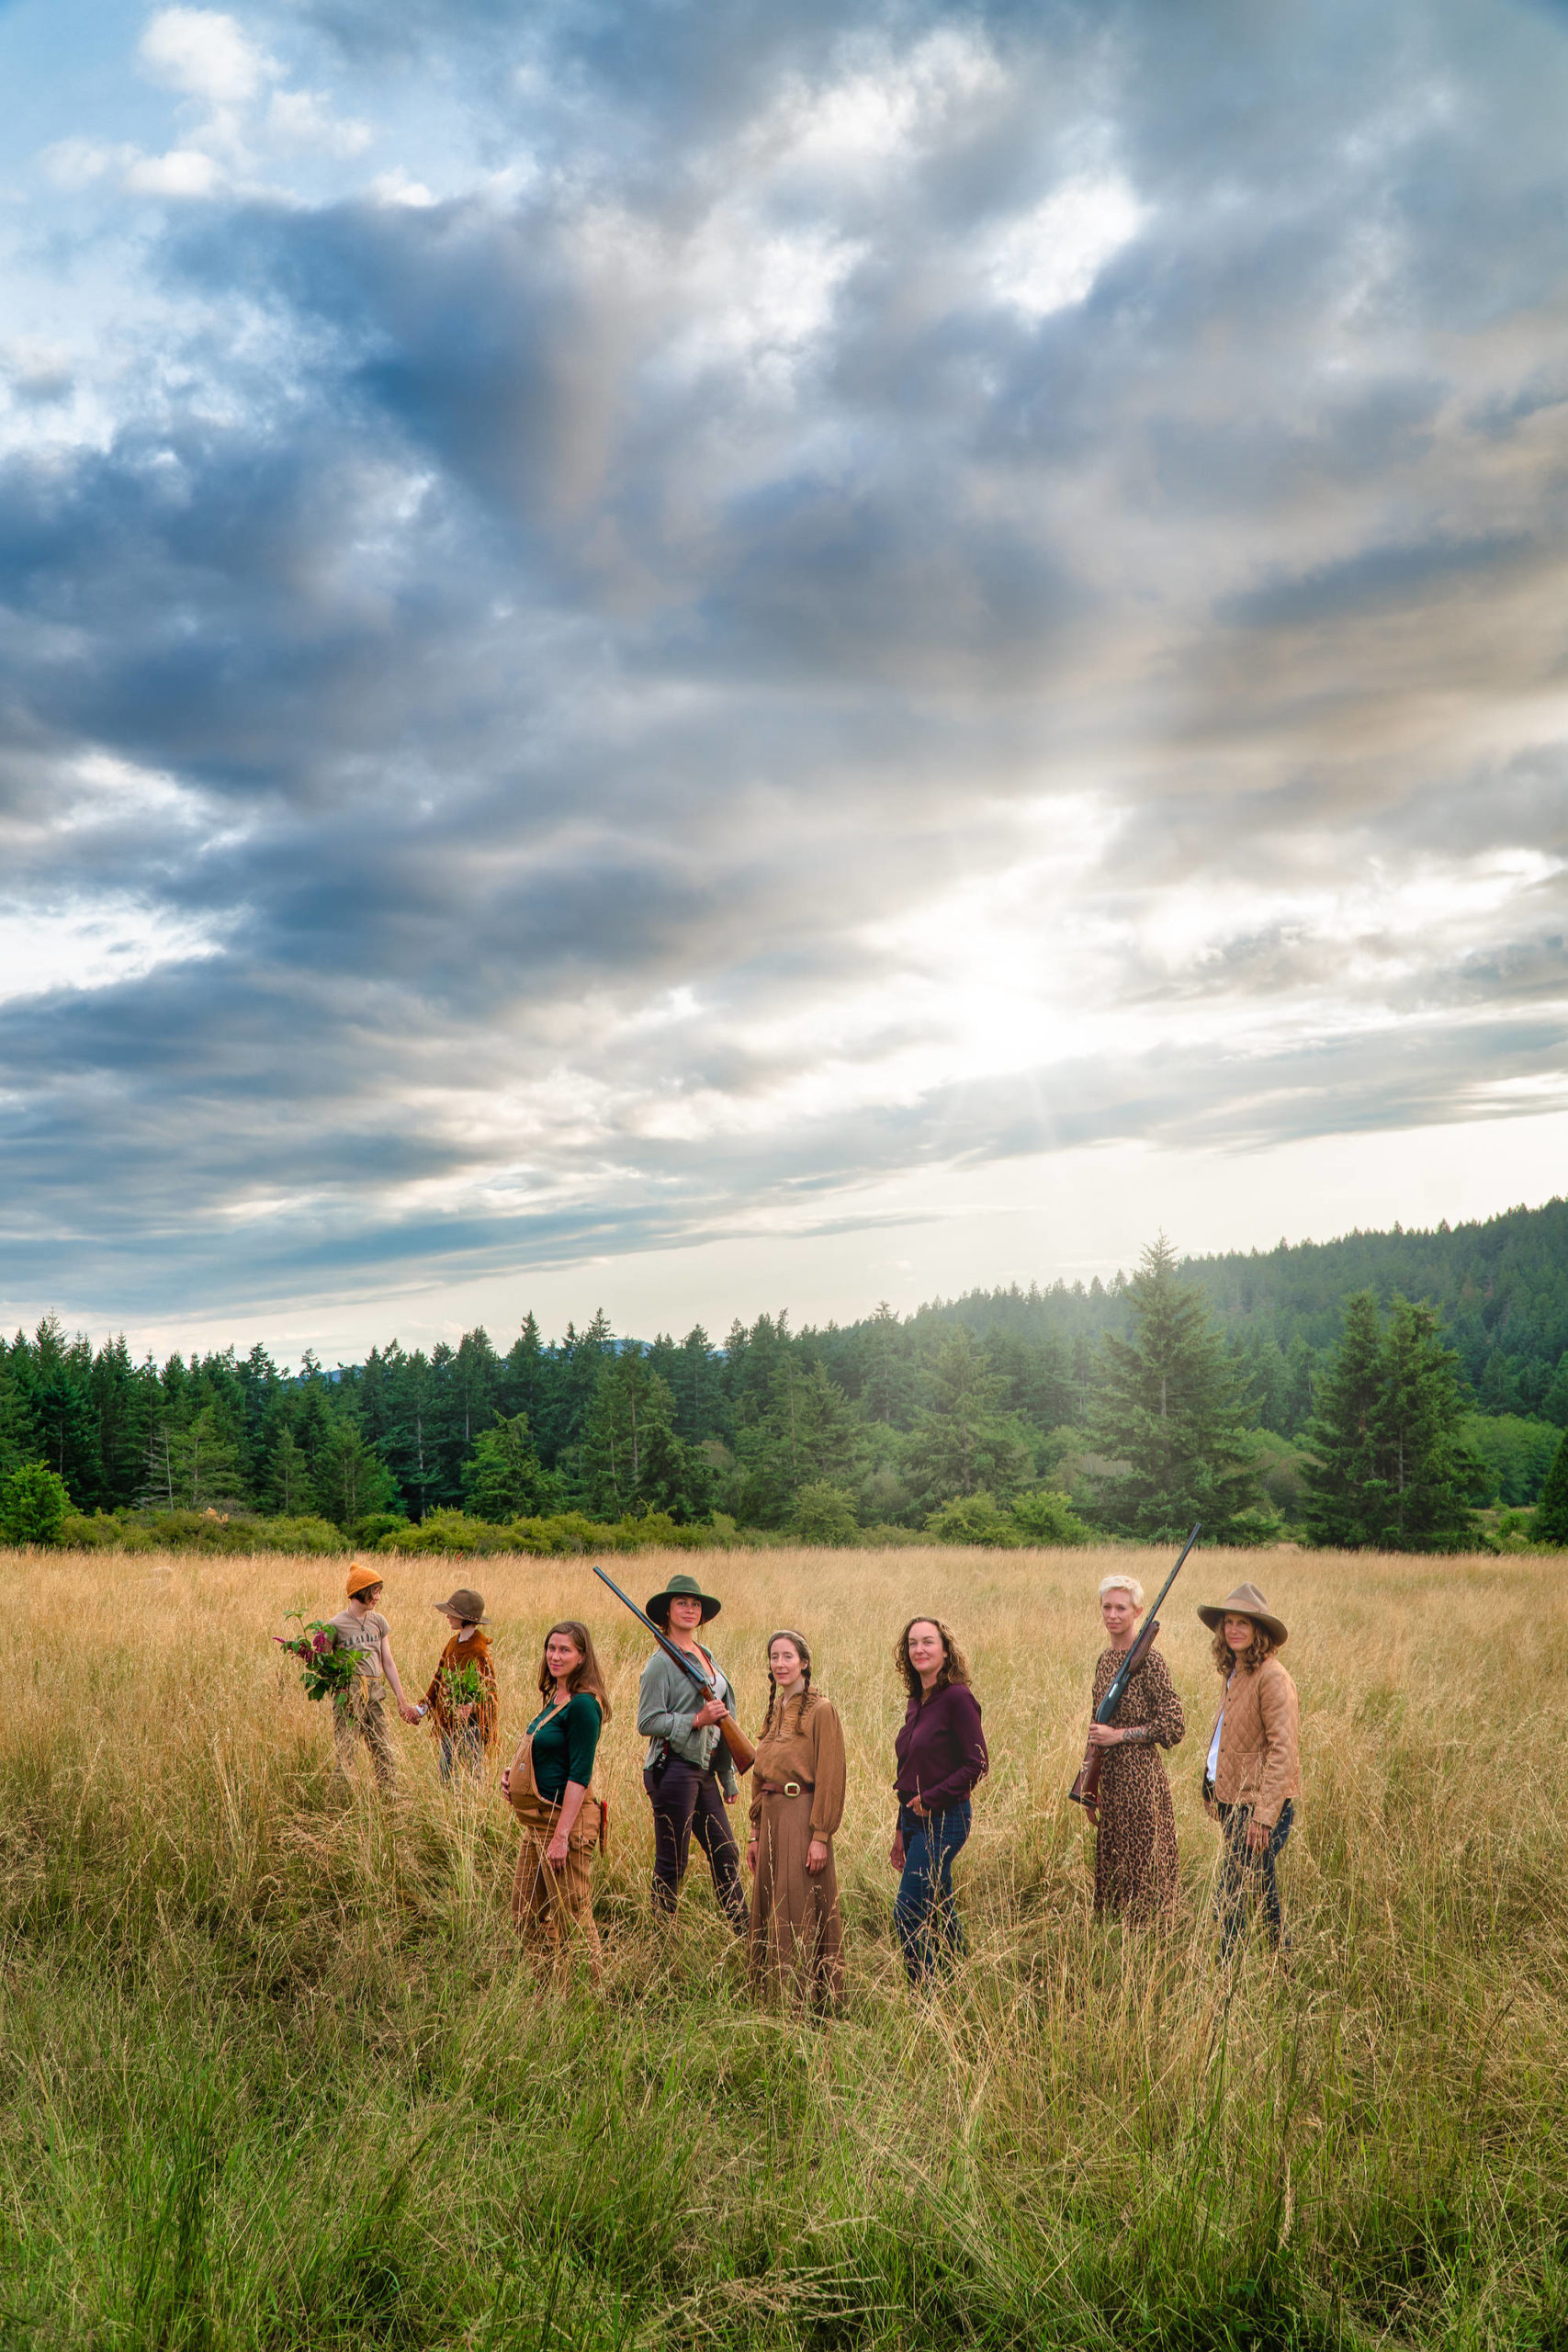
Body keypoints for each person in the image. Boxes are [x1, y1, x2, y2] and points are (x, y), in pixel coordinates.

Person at [637, 1572, 749, 1934]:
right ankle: (659, 1943)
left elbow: (724, 1718)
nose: (690, 1609)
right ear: (667, 1612)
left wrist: (726, 1775)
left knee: (726, 1854)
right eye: (682, 1603)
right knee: (673, 1863)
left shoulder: (706, 1655)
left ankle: (746, 1935)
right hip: (674, 1770)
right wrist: (695, 1719)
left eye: (695, 1604)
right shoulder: (660, 1663)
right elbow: (648, 1721)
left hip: (704, 1771)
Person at [1197, 1582, 1301, 1959]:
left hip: (1258, 1807)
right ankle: (1280, 1964)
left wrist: (1263, 1817)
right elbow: (1224, 1737)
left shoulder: (1272, 1676)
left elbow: (1282, 1750)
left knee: (1230, 1899)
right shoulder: (1237, 1672)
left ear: (1259, 1631)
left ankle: (1227, 1979)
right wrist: (1211, 1789)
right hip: (1234, 1801)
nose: (1234, 1629)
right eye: (1228, 1622)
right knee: (1261, 1890)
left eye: (1244, 1623)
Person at [501, 1620, 610, 1972]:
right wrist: (513, 1776)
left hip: (563, 1826)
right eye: (551, 1648)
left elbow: (579, 1776)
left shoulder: (582, 1706)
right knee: (524, 1913)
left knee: (573, 1918)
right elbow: (544, 1753)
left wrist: (562, 1836)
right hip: (536, 1824)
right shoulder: (555, 1698)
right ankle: (548, 1987)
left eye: (565, 1650)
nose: (555, 1656)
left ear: (582, 1657)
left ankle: (588, 1993)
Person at [745, 1631, 847, 2003]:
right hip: (770, 1817)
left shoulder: (821, 1710)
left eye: (788, 1657)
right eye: (774, 1657)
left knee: (800, 1901)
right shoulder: (774, 1709)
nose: (780, 1664)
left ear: (804, 1662)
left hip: (801, 1816)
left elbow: (831, 1775)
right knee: (770, 1901)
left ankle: (807, 1995)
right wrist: (754, 1832)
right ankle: (772, 1995)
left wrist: (820, 1835)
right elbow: (761, 1773)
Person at [889, 1617, 987, 1982]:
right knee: (939, 1905)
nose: (920, 1650)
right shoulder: (917, 1701)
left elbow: (977, 1764)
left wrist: (931, 1800)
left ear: (945, 1650)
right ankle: (959, 1978)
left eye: (928, 1642)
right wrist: (901, 1829)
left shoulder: (958, 1698)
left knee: (908, 1911)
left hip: (946, 1820)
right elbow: (910, 1770)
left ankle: (926, 1995)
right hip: (913, 1819)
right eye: (913, 1643)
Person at [1085, 1572, 1186, 1922]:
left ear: (1138, 1612)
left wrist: (1121, 1735)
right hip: (1110, 1781)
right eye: (1107, 1607)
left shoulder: (1151, 1662)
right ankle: (1117, 1944)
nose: (1113, 1615)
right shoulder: (1103, 1661)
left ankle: (1151, 1946)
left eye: (1121, 1608)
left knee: (1146, 1868)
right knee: (1114, 1870)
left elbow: (1174, 1725)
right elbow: (1096, 1728)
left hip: (1142, 1779)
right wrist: (1088, 1786)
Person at [322, 1564, 419, 1792]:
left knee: (383, 1748)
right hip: (350, 1692)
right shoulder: (334, 1625)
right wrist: (341, 1688)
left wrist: (401, 1700)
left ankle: (390, 1798)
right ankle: (340, 1800)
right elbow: (325, 1665)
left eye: (379, 1592)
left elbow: (388, 1662)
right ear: (360, 1591)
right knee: (346, 1749)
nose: (377, 1598)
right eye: (374, 1592)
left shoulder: (379, 1622)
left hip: (375, 1691)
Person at [414, 1586, 498, 1781]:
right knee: (446, 1773)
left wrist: (471, 1707)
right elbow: (438, 1680)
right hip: (447, 1725)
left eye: (452, 1613)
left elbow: (490, 1692)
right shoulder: (453, 1642)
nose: (447, 1617)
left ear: (464, 1616)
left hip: (471, 1727)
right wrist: (421, 1709)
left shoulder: (479, 1650)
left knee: (473, 1774)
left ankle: (472, 1808)